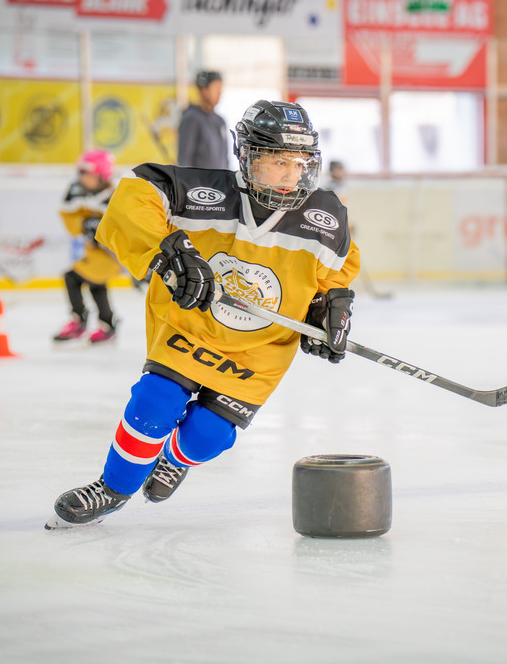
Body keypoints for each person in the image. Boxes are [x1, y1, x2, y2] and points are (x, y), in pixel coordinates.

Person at [46, 100, 361, 529]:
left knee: (208, 435)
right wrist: (167, 249)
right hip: (188, 328)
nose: (292, 173)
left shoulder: (326, 216)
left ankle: (175, 458)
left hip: (260, 351)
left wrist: (331, 310)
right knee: (153, 404)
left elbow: (336, 275)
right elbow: (133, 194)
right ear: (248, 157)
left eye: (300, 162)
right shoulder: (200, 191)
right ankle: (112, 488)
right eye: (278, 161)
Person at [52, 149, 120, 344]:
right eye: (81, 174)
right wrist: (85, 225)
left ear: (102, 176)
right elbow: (71, 220)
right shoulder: (80, 192)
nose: (83, 179)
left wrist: (100, 232)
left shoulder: (113, 197)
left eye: (87, 175)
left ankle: (79, 320)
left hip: (110, 256)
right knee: (96, 285)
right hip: (97, 255)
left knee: (73, 278)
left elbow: (123, 229)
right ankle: (107, 324)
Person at [176, 70, 228, 169]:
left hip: (218, 182)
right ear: (203, 90)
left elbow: (225, 158)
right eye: (216, 89)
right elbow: (184, 160)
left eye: (220, 89)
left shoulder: (220, 121)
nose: (219, 93)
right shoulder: (191, 119)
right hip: (200, 183)